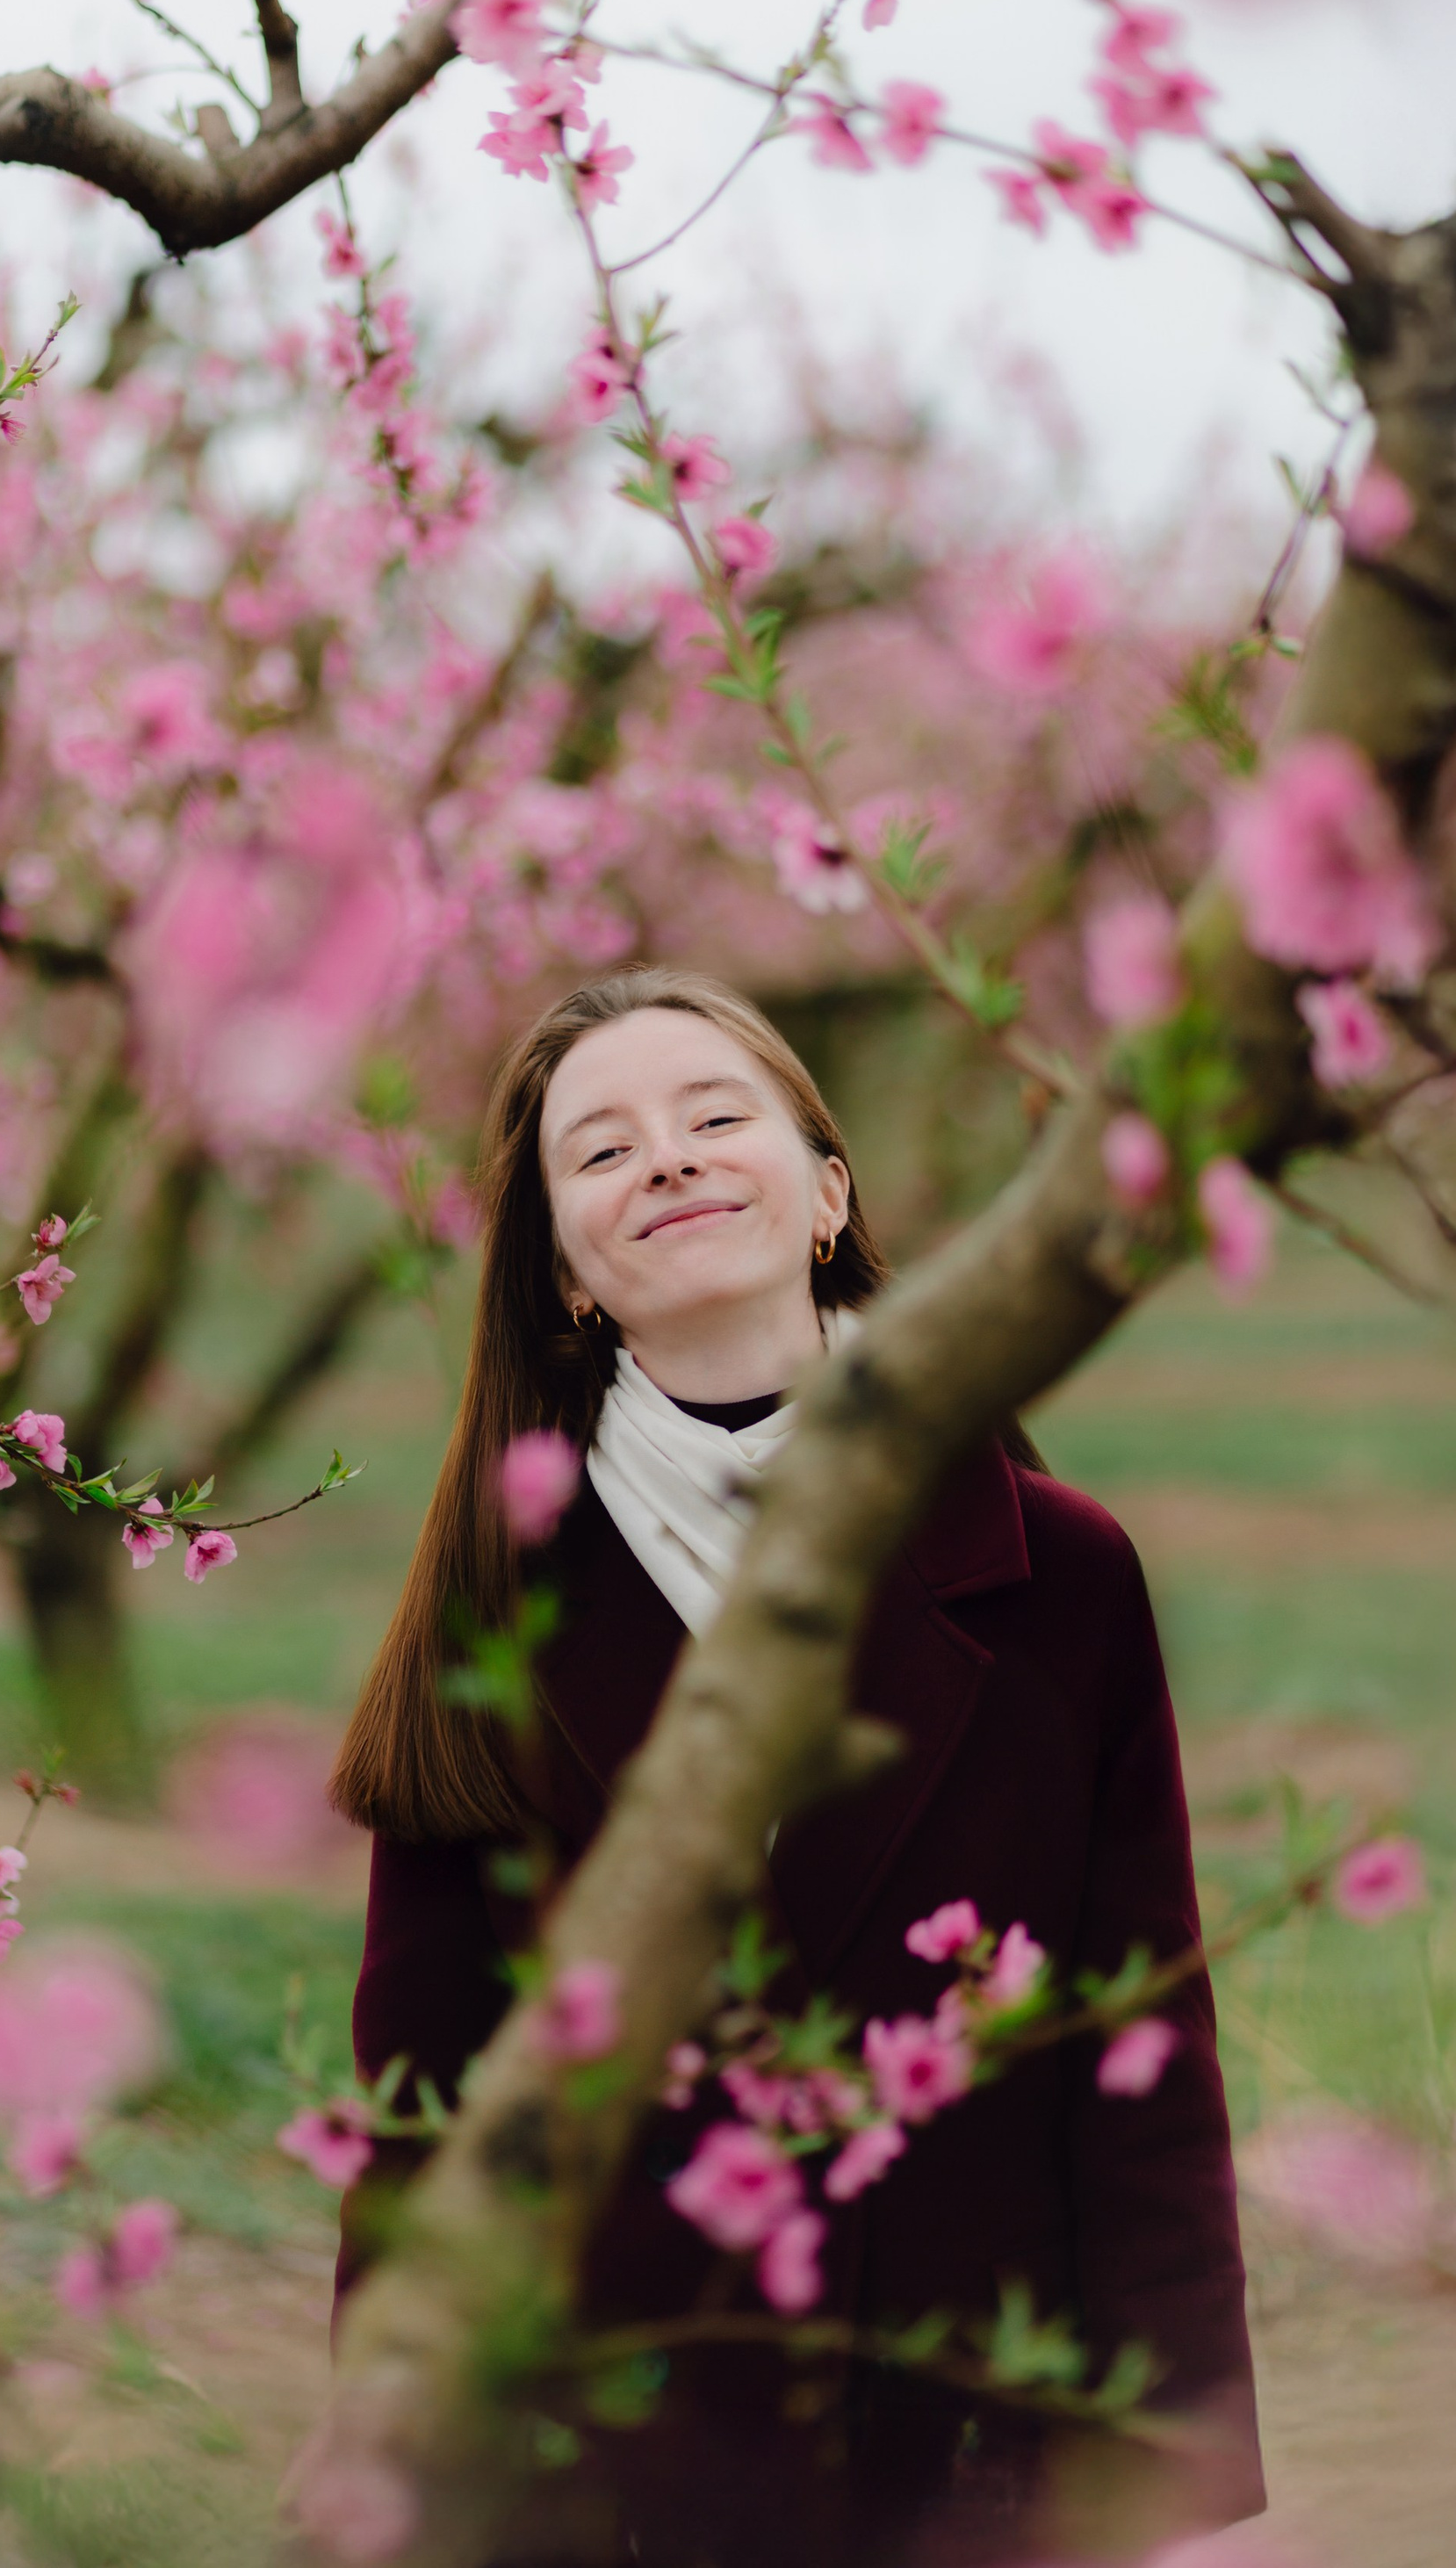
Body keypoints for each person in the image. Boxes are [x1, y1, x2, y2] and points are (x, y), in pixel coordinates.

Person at [328, 968, 1261, 2567]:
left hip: (980, 2443)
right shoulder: (500, 1619)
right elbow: (425, 2120)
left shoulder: (1058, 1574)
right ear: (561, 1272)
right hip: (621, 2470)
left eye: (712, 1116)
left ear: (827, 1192)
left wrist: (1176, 2486)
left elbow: (1148, 2058)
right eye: (602, 1153)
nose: (669, 1162)